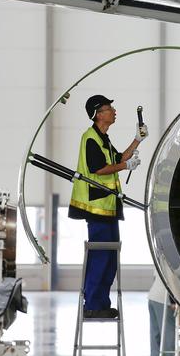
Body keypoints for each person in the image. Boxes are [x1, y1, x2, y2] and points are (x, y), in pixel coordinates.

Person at [69, 94, 148, 318]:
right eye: (109, 108)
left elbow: (119, 158)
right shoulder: (90, 138)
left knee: (110, 257)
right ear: (98, 114)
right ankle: (92, 304)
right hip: (97, 208)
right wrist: (125, 166)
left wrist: (137, 141)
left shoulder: (103, 138)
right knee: (101, 256)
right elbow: (99, 169)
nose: (114, 111)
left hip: (108, 207)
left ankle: (101, 303)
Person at [148, 270, 176, 356]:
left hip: (152, 297)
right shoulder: (175, 262)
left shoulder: (161, 257)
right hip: (163, 299)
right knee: (168, 338)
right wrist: (173, 302)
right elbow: (173, 282)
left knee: (155, 336)